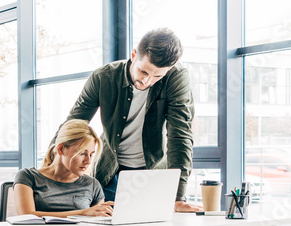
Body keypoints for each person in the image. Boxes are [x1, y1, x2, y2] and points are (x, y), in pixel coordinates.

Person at [67, 28, 202, 213]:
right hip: (110, 174)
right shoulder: (103, 77)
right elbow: (74, 124)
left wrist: (177, 197)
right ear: (133, 55)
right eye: (144, 71)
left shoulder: (176, 77)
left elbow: (180, 135)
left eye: (157, 76)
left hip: (153, 176)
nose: (147, 81)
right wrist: (49, 172)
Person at [13, 119, 113, 218]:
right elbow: (26, 215)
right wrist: (82, 213)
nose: (88, 161)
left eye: (91, 154)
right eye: (82, 153)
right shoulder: (28, 177)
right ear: (61, 149)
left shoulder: (92, 184)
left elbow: (97, 223)